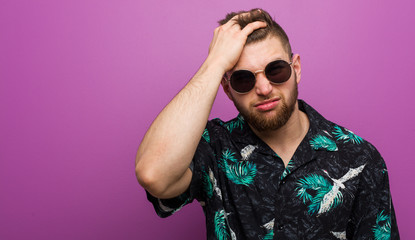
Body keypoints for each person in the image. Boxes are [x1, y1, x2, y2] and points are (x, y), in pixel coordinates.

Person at [135, 8, 399, 239]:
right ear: (227, 89)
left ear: (295, 69)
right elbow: (154, 174)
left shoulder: (360, 158)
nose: (263, 88)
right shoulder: (213, 147)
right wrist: (214, 64)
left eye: (275, 70)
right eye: (243, 79)